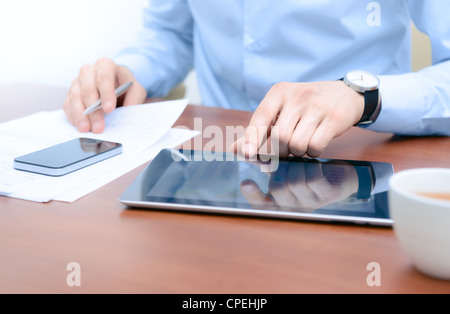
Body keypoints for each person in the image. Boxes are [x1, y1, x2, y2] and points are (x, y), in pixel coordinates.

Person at [63, 1, 450, 158]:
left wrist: (362, 96)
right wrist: (129, 73)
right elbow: (172, 32)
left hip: (357, 154)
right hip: (216, 158)